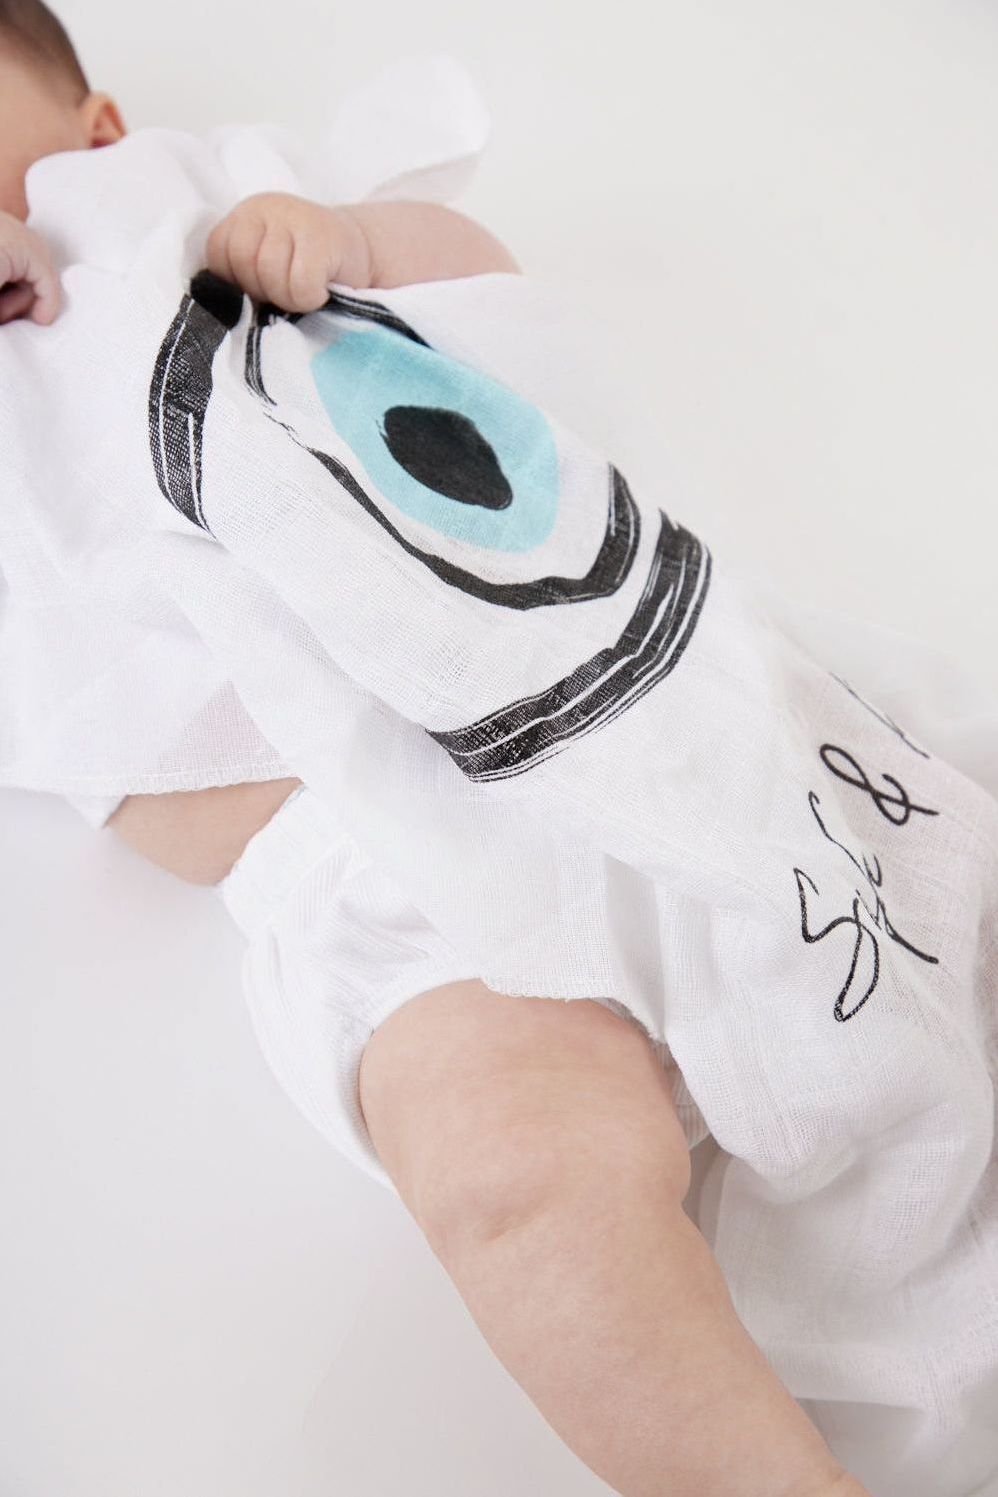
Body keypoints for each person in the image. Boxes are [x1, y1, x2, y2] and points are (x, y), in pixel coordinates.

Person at [2, 6, 994, 1496]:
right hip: (373, 874)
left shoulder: (210, 215)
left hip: (635, 682)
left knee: (948, 877)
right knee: (513, 1182)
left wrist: (349, 238)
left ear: (96, 135)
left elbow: (491, 306)